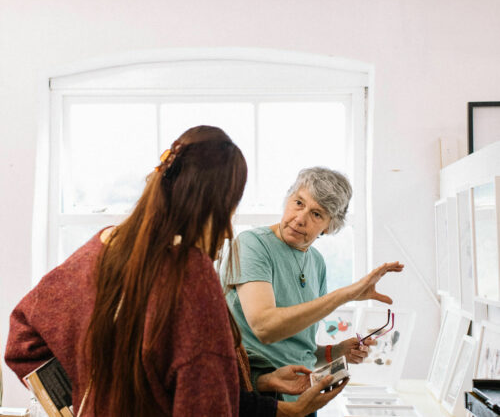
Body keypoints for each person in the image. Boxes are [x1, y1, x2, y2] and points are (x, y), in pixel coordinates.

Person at [5, 126, 346, 417]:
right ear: (211, 206)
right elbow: (206, 401)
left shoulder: (105, 245)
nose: (229, 231)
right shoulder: (191, 275)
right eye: (229, 209)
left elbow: (24, 340)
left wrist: (79, 405)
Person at [223, 167, 404, 404]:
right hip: (260, 400)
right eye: (299, 203)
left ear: (329, 227)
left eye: (317, 214)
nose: (300, 218)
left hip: (304, 398)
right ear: (288, 199)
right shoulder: (252, 245)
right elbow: (265, 328)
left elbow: (299, 349)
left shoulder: (316, 263)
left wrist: (336, 351)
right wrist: (345, 295)